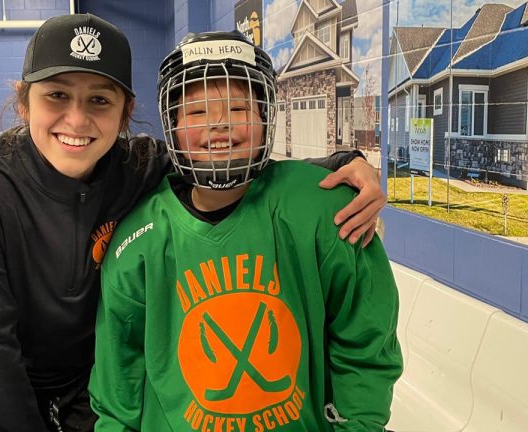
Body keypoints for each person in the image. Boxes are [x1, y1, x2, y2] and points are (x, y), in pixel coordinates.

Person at [0, 14, 386, 432]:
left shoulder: (137, 165)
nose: (77, 118)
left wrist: (346, 161)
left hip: (95, 388)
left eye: (99, 99)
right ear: (24, 102)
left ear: (125, 113)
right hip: (16, 398)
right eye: (56, 95)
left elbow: (222, 159)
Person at [89, 31, 403, 431]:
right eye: (198, 112)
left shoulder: (326, 212)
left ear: (264, 117)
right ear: (173, 127)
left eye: (238, 108)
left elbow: (366, 344)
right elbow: (119, 381)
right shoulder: (138, 241)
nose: (219, 125)